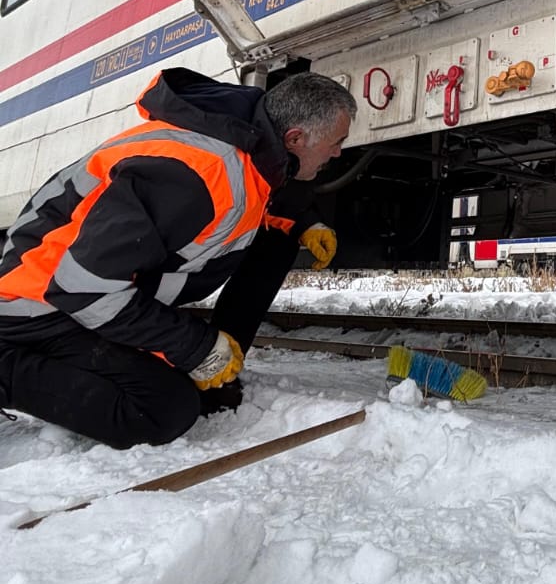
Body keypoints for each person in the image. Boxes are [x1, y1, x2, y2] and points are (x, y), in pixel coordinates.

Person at [0, 67, 355, 449]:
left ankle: (217, 370)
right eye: (337, 142)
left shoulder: (241, 139)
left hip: (89, 284)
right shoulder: (192, 177)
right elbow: (84, 289)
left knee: (277, 240)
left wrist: (302, 221)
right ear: (295, 138)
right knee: (164, 408)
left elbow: (253, 193)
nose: (338, 152)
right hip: (40, 306)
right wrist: (195, 347)